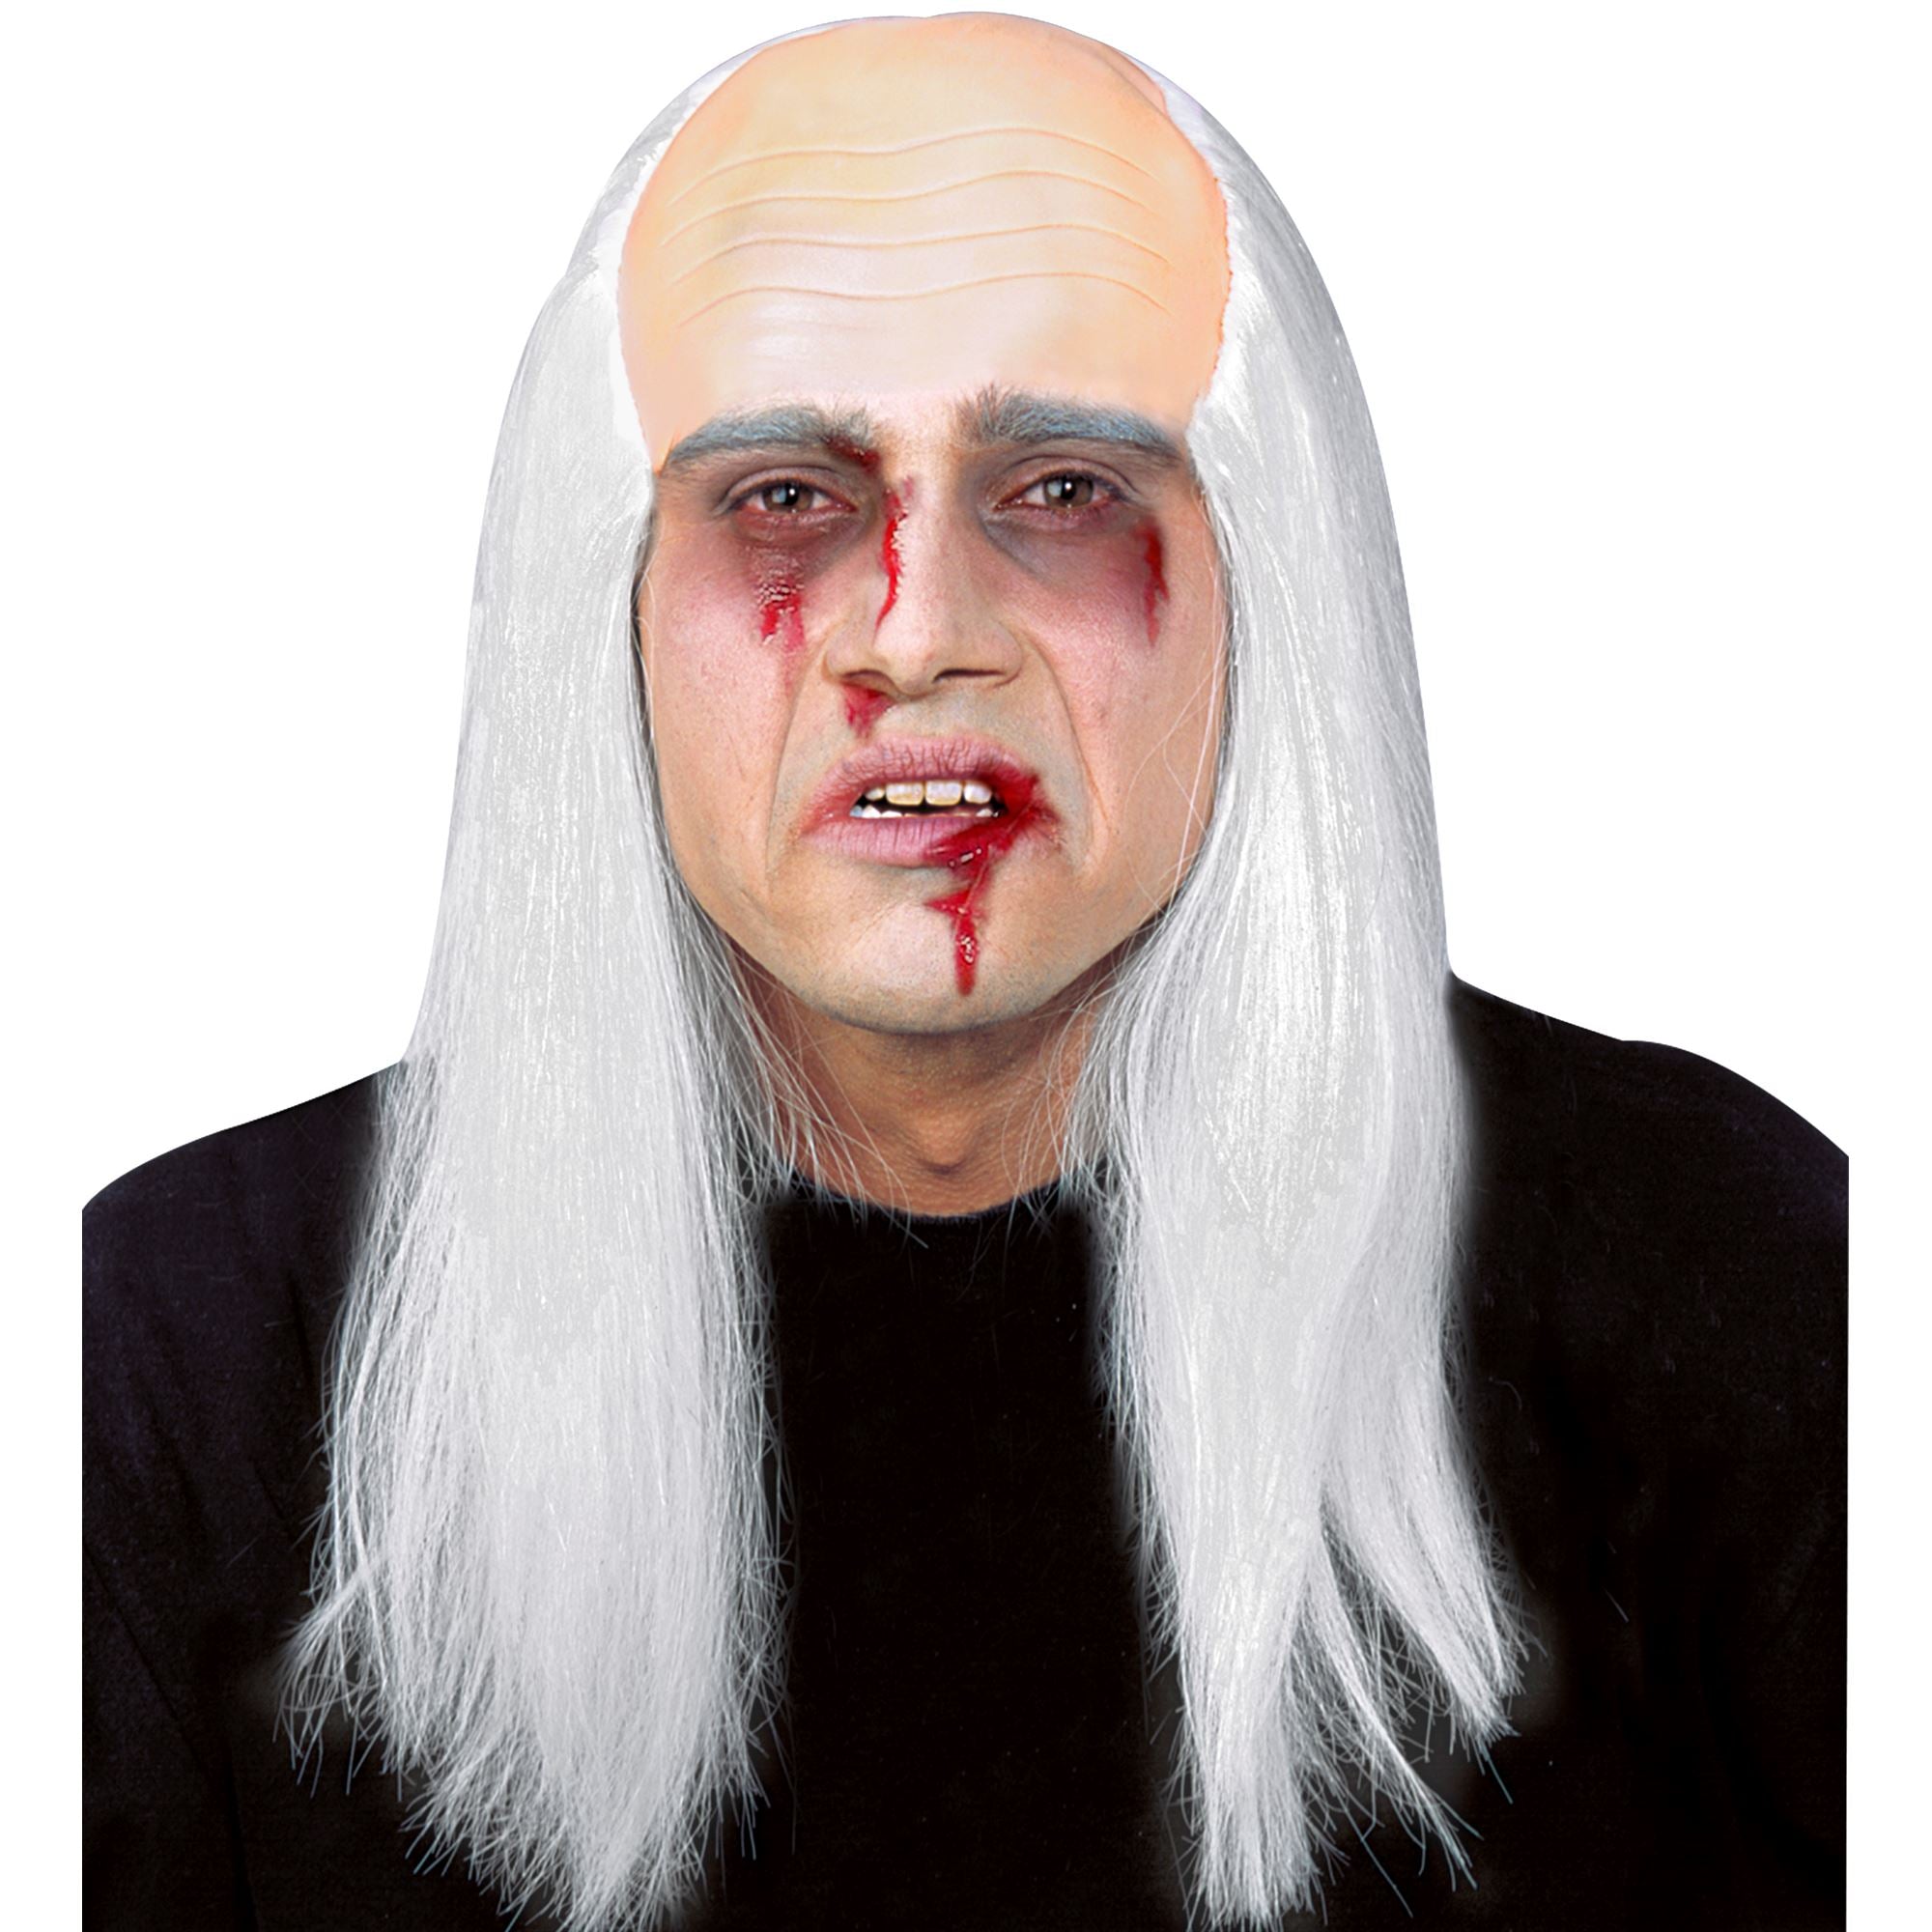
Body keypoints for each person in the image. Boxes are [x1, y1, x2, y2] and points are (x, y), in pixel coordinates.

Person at [82, 14, 1845, 1930]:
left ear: (1266, 569)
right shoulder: (179, 1356)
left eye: (1063, 489)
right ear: (611, 597)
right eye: (784, 495)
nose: (918, 633)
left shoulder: (1738, 1280)